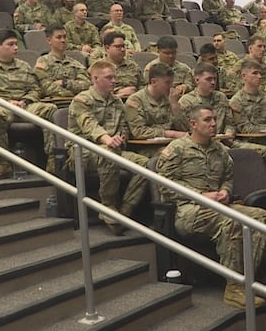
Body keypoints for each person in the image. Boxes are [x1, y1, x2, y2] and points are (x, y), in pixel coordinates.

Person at [157, 105, 266, 309]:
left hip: (217, 206)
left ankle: (246, 279)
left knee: (261, 217)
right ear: (193, 124)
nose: (213, 124)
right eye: (207, 120)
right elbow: (164, 185)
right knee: (231, 222)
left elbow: (227, 176)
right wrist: (200, 195)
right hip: (188, 210)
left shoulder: (219, 149)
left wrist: (225, 191)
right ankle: (234, 288)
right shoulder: (177, 149)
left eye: (215, 119)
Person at [67, 60, 148, 235]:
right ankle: (108, 205)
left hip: (113, 150)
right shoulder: (81, 100)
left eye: (114, 77)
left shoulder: (116, 101)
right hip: (83, 153)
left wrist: (121, 138)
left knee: (146, 164)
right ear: (95, 79)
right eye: (109, 77)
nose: (114, 81)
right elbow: (89, 125)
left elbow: (124, 127)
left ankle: (125, 210)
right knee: (108, 152)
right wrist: (107, 139)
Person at [0, 29, 58, 180]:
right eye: (10, 44)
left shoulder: (24, 66)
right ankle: (3, 164)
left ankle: (52, 162)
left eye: (16, 44)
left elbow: (35, 89)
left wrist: (25, 101)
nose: (16, 48)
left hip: (25, 106)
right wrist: (5, 103)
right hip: (1, 107)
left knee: (50, 109)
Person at [124, 63, 187, 154]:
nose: (171, 86)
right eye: (167, 83)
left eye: (171, 82)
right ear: (153, 82)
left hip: (171, 144)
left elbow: (184, 129)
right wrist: (169, 133)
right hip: (146, 148)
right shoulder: (135, 100)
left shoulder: (170, 98)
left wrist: (174, 105)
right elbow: (139, 131)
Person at [34, 25, 91, 99]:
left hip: (76, 101)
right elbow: (45, 87)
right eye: (59, 37)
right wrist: (70, 93)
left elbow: (86, 84)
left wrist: (65, 83)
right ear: (49, 40)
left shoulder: (75, 63)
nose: (63, 40)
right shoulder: (43, 62)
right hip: (55, 101)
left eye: (65, 37)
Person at [93, 31, 144, 100]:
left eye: (123, 46)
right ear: (107, 48)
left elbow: (143, 87)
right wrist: (117, 93)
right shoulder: (97, 67)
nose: (122, 49)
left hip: (133, 101)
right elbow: (93, 92)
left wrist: (135, 93)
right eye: (118, 46)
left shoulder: (133, 66)